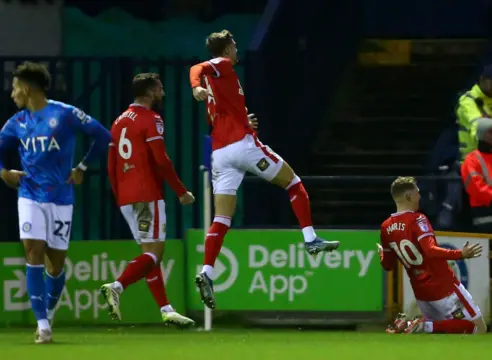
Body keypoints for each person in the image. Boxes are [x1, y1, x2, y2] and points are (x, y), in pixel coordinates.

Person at [189, 29, 340, 309]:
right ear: (228, 48)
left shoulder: (219, 83)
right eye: (234, 44)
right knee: (294, 183)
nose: (236, 49)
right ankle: (310, 239)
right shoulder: (221, 65)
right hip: (242, 147)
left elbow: (224, 112)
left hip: (220, 153)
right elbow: (196, 67)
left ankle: (207, 272)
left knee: (222, 218)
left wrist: (243, 119)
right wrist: (195, 85)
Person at [0, 61, 111, 343]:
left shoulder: (64, 114)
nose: (12, 94)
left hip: (61, 197)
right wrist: (4, 172)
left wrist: (82, 167)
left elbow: (103, 136)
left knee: (56, 265)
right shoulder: (17, 122)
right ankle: (43, 325)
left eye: (15, 87)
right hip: (29, 195)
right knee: (33, 253)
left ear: (28, 88)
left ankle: (49, 310)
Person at [100, 73, 195, 327]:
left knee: (148, 256)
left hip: (125, 198)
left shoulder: (118, 121)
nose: (162, 93)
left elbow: (111, 164)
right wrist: (181, 191)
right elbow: (161, 160)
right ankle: (117, 287)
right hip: (146, 194)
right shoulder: (152, 120)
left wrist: (120, 194)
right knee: (154, 254)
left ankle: (166, 309)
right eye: (160, 89)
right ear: (150, 91)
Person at [379, 177, 487, 334]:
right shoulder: (418, 219)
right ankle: (422, 326)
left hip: (421, 293)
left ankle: (412, 324)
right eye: (417, 193)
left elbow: (387, 265)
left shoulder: (386, 227)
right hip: (444, 287)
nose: (420, 196)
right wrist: (460, 254)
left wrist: (382, 253)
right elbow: (430, 250)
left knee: (444, 334)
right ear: (409, 196)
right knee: (478, 329)